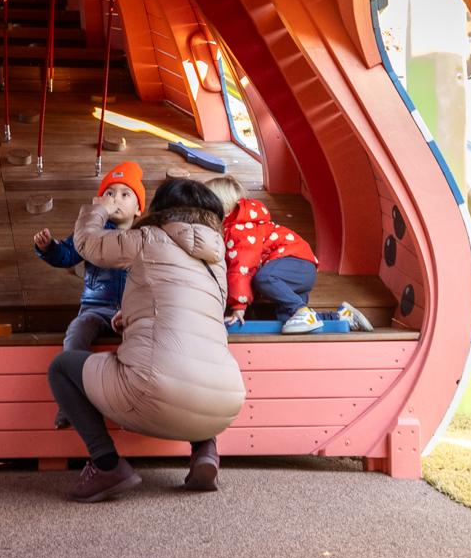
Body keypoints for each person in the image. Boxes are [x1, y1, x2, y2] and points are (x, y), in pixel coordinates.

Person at [46, 176, 243, 500]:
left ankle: (106, 465)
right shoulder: (216, 259)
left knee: (63, 366)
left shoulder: (147, 237)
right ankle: (205, 451)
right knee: (195, 360)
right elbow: (185, 309)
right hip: (225, 401)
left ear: (159, 210)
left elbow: (88, 245)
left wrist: (98, 209)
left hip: (154, 391)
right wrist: (134, 315)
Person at [32, 161, 144, 357]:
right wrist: (49, 247)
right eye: (109, 194)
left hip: (133, 311)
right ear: (99, 202)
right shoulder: (92, 232)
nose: (115, 199)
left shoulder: (143, 236)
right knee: (78, 329)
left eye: (125, 194)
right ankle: (72, 366)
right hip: (96, 307)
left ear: (138, 209)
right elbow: (67, 254)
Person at [205, 174, 325, 332]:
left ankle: (301, 311)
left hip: (295, 262)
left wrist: (239, 306)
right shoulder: (241, 227)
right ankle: (342, 318)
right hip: (299, 270)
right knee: (286, 320)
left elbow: (242, 266)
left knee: (265, 278)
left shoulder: (240, 230)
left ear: (221, 208)